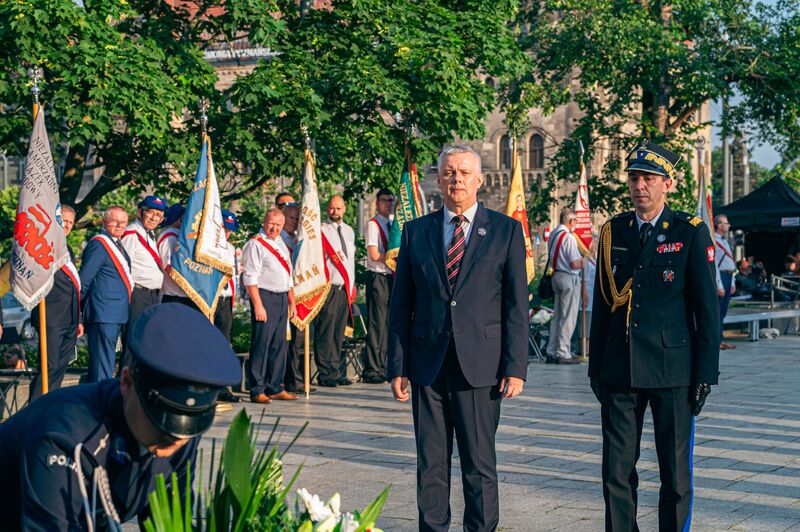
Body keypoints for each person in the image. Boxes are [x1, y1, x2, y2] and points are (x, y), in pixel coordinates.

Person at [388, 144, 528, 531]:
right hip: (428, 366)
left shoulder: (505, 231)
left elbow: (516, 305)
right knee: (430, 464)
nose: (457, 180)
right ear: (439, 179)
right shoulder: (416, 232)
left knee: (479, 464)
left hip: (480, 367)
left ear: (479, 180)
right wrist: (398, 365)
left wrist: (515, 367)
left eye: (464, 173)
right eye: (449, 172)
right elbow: (400, 306)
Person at [0, 303, 240, 530]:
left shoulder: (179, 436)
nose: (175, 438)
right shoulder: (64, 437)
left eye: (187, 425)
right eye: (160, 420)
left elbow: (171, 523)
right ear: (126, 382)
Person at [589, 140, 719, 531]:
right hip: (620, 369)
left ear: (668, 184)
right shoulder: (613, 231)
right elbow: (602, 306)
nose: (639, 186)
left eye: (648, 178)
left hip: (672, 371)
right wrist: (596, 368)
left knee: (675, 476)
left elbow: (706, 312)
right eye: (634, 178)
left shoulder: (689, 232)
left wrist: (705, 374)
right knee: (616, 472)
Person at [242, 208, 297, 403]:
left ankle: (275, 386)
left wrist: (292, 302)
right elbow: (250, 277)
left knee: (278, 344)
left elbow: (288, 275)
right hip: (265, 297)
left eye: (278, 225)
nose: (274, 228)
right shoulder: (255, 244)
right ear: (264, 223)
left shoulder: (280, 242)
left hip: (282, 297)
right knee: (262, 344)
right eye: (271, 224)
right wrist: (258, 305)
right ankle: (257, 389)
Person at [30, 205, 83, 398]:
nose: (67, 225)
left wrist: (78, 319)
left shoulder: (67, 248)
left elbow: (73, 286)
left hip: (69, 319)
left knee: (61, 366)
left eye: (70, 222)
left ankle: (49, 405)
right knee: (48, 367)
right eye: (63, 220)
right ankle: (35, 409)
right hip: (50, 317)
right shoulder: (42, 245)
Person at [80, 206, 132, 382]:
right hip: (103, 313)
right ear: (104, 221)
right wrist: (78, 312)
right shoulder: (99, 244)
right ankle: (100, 397)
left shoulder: (117, 244)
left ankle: (97, 395)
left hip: (116, 313)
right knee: (102, 366)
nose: (120, 225)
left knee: (106, 364)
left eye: (123, 222)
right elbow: (84, 280)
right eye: (115, 221)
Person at [315, 195, 356, 387]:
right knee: (326, 331)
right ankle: (325, 374)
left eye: (339, 208)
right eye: (332, 208)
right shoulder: (321, 230)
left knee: (339, 332)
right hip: (328, 288)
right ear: (327, 209)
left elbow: (350, 262)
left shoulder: (349, 231)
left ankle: (337, 371)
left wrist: (352, 285)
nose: (335, 212)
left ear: (344, 209)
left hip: (344, 288)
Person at [363, 188, 394, 383]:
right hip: (378, 276)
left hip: (390, 277)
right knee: (377, 324)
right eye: (385, 200)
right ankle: (373, 369)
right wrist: (394, 259)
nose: (388, 204)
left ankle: (384, 365)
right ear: (377, 203)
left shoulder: (392, 224)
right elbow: (374, 254)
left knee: (388, 324)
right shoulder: (373, 225)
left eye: (391, 200)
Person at [121, 195, 167, 329]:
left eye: (158, 215)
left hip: (152, 295)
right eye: (150, 212)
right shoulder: (131, 234)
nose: (154, 218)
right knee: (134, 335)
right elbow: (123, 267)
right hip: (138, 295)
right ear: (140, 212)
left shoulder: (149, 234)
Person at [545, 208, 583, 364]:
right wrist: (581, 262)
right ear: (571, 221)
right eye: (575, 221)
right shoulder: (569, 237)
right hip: (568, 277)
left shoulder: (554, 234)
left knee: (557, 316)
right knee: (568, 317)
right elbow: (574, 263)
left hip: (556, 275)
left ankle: (551, 351)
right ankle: (563, 352)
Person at [281, 204, 311, 394]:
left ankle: (295, 379)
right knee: (286, 340)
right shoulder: (279, 240)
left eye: (298, 219)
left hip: (298, 294)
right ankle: (287, 380)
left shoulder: (297, 240)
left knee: (297, 340)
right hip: (283, 294)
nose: (295, 222)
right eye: (292, 218)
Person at [158, 204, 198, 311]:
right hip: (174, 295)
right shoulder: (170, 236)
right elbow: (169, 266)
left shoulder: (177, 235)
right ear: (179, 219)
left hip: (180, 295)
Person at [214, 209, 239, 340]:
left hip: (227, 299)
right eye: (224, 229)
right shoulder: (207, 247)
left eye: (229, 230)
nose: (226, 233)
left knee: (224, 338)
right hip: (213, 297)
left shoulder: (231, 248)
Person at [713, 214, 737, 350]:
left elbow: (730, 262)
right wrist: (719, 285)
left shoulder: (725, 241)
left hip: (728, 276)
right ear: (719, 225)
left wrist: (732, 282)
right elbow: (715, 264)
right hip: (721, 277)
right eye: (726, 223)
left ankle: (721, 339)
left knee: (723, 312)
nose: (728, 225)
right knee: (718, 312)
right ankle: (717, 341)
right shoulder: (714, 240)